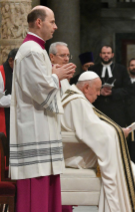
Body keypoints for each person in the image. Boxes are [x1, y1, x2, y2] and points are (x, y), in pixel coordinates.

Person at [10, 6, 76, 212]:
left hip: (41, 128)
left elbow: (40, 83)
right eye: (52, 22)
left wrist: (53, 73)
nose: (56, 26)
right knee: (36, 187)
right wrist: (57, 76)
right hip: (34, 129)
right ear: (39, 23)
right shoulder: (30, 51)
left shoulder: (37, 50)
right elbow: (39, 90)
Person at [61, 71, 135, 212]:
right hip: (74, 155)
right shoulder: (77, 101)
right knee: (126, 167)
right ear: (86, 87)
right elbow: (93, 131)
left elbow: (94, 127)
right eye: (97, 90)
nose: (98, 94)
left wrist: (116, 131)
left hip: (77, 150)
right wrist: (119, 132)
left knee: (127, 165)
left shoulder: (76, 98)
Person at [90, 45, 131, 127]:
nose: (106, 55)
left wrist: (113, 92)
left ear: (112, 55)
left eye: (108, 53)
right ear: (100, 55)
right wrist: (99, 91)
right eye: (104, 53)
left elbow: (128, 89)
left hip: (117, 110)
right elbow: (87, 88)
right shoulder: (93, 69)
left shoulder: (121, 69)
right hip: (98, 108)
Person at [0, 48, 17, 157]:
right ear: (11, 60)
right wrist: (17, 98)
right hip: (3, 117)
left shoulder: (16, 71)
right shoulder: (1, 72)